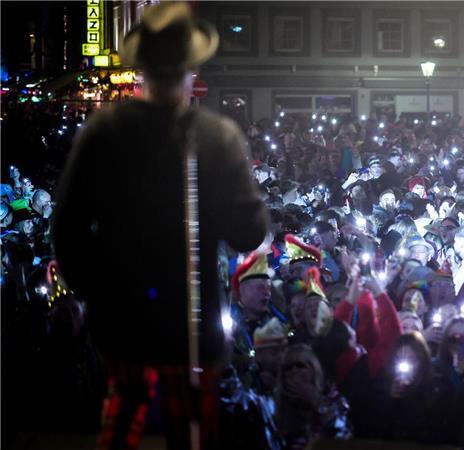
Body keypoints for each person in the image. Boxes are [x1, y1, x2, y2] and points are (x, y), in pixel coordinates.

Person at [50, 3, 269, 448]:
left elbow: (67, 227)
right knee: (192, 431)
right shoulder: (217, 136)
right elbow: (248, 232)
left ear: (142, 70)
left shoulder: (105, 131)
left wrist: (98, 290)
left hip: (124, 317)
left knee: (123, 424)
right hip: (193, 321)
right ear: (190, 69)